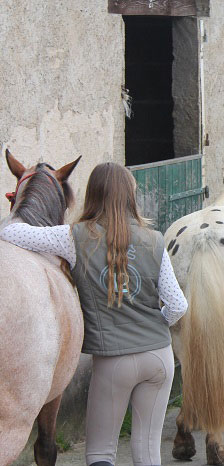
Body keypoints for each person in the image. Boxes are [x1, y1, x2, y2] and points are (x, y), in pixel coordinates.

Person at [0, 163, 187, 466]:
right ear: (131, 197)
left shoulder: (73, 237)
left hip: (114, 362)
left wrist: (20, 200)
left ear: (92, 195)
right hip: (159, 359)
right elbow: (178, 305)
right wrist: (152, 323)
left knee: (101, 452)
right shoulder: (156, 241)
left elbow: (12, 232)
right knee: (148, 452)